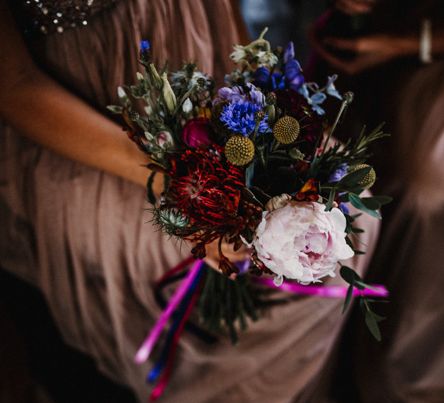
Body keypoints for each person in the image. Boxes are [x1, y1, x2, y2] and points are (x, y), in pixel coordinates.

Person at [0, 1, 379, 401]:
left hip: (206, 69)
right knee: (165, 259)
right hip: (88, 129)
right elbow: (14, 85)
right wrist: (194, 189)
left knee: (350, 216)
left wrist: (251, 96)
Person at [310, 1, 444, 401]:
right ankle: (318, 354)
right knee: (319, 170)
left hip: (429, 52)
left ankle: (400, 372)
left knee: (424, 182)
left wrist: (409, 42)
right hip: (359, 47)